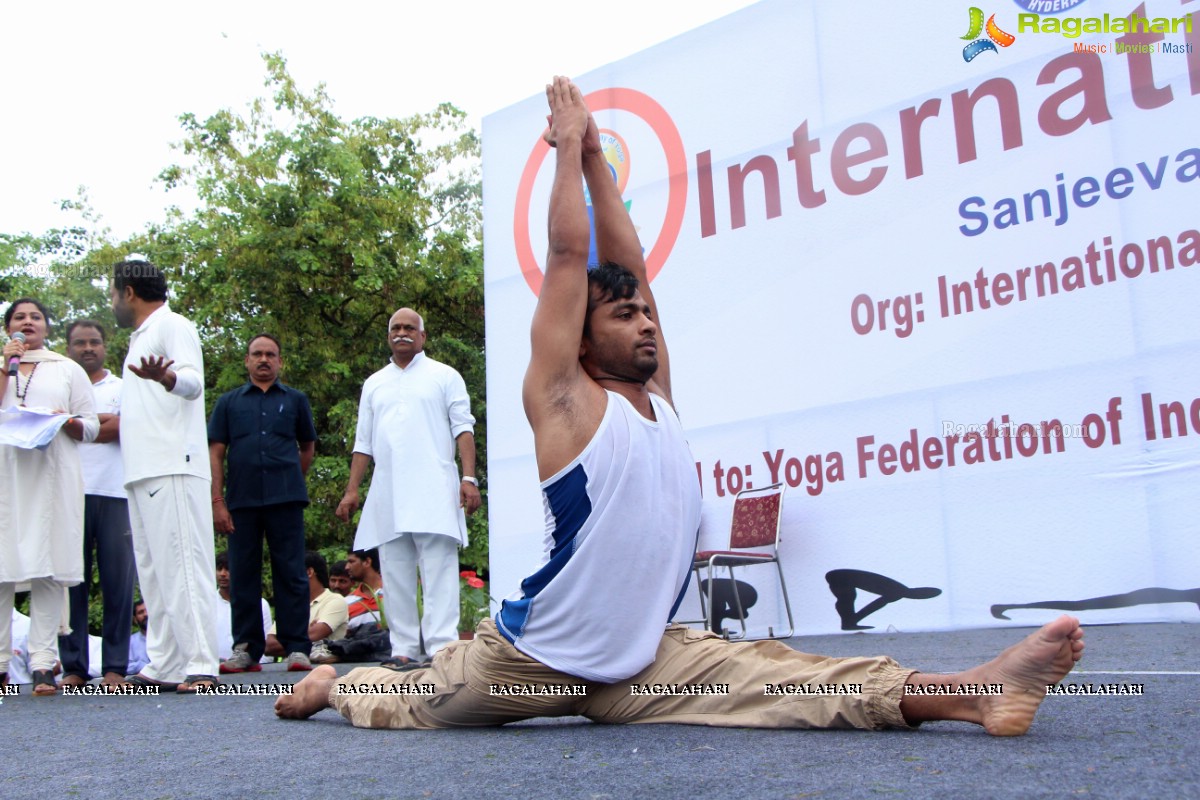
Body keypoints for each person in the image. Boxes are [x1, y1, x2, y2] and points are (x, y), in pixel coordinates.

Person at [278, 77, 1085, 734]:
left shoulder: (658, 401)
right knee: (414, 700)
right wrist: (566, 149)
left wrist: (599, 160)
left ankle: (973, 693)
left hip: (636, 667)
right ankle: (331, 684)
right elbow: (571, 255)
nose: (646, 324)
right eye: (623, 316)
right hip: (532, 671)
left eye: (649, 315)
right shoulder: (565, 401)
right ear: (581, 343)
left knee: (783, 678)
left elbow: (631, 265)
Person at [335, 308, 481, 666]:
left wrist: (469, 477)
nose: (402, 333)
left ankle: (441, 648)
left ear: (422, 336)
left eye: (409, 328)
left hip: (435, 488)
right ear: (389, 336)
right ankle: (402, 648)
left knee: (438, 571)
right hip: (389, 492)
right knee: (395, 572)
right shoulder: (375, 382)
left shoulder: (445, 376)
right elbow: (363, 442)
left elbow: (463, 428)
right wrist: (352, 490)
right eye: (395, 328)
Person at [111, 257, 219, 693]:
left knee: (184, 564)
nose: (113, 302)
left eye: (113, 293)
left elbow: (192, 381)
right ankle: (166, 663)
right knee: (154, 570)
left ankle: (200, 662)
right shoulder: (140, 337)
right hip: (142, 469)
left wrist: (170, 377)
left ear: (129, 292)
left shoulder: (174, 325)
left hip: (173, 464)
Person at [1, 299, 99, 696]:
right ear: (9, 328)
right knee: (1, 565)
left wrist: (67, 421)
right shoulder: (2, 362)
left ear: (46, 326)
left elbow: (91, 427)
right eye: (19, 318)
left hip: (52, 473)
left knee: (48, 566)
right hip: (6, 474)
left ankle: (42, 664)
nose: (28, 323)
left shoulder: (67, 368)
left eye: (35, 317)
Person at [209, 333, 316, 673]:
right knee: (242, 575)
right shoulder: (229, 403)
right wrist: (217, 501)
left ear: (280, 361)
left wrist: (291, 479)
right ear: (247, 360)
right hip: (241, 501)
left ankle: (297, 647)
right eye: (257, 354)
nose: (264, 359)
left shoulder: (296, 400)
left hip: (286, 498)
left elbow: (307, 447)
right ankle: (246, 648)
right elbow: (216, 452)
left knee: (292, 573)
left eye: (271, 354)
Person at [56, 319, 136, 692]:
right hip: (66, 494)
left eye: (94, 342)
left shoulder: (122, 388)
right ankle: (73, 666)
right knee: (71, 581)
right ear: (68, 348)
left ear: (105, 346)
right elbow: (49, 426)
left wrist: (77, 426)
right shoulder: (58, 388)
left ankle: (115, 668)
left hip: (115, 493)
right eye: (79, 343)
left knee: (118, 584)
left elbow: (122, 427)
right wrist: (90, 425)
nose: (87, 348)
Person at [266, 551, 347, 657]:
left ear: (309, 572)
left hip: (323, 670)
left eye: (292, 570)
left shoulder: (336, 601)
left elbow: (316, 633)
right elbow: (269, 646)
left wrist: (288, 638)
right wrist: (307, 636)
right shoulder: (290, 605)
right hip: (289, 670)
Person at [213, 552, 272, 666]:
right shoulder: (207, 602)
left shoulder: (260, 604)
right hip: (215, 671)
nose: (222, 574)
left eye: (227, 569)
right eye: (219, 569)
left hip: (249, 672)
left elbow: (266, 645)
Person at [128, 600, 150, 676]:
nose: (146, 614)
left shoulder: (169, 638)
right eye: (141, 612)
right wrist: (141, 666)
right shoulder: (129, 642)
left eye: (148, 610)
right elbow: (124, 666)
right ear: (135, 619)